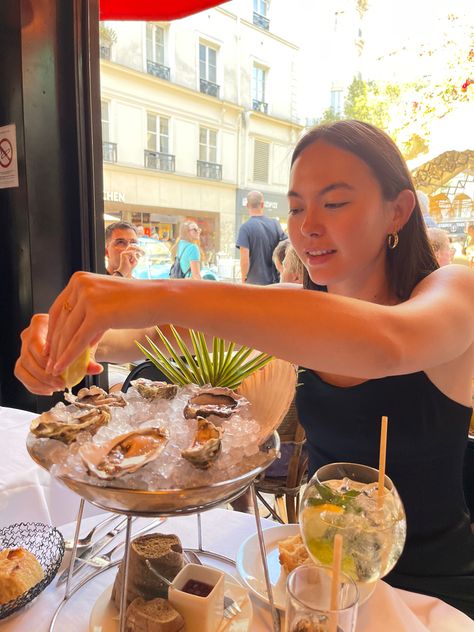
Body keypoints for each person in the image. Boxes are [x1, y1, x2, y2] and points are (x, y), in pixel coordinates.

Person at [15, 120, 474, 616]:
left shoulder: (453, 290)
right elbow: (139, 339)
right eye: (297, 207)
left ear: (398, 211)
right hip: (319, 587)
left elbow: (389, 342)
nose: (308, 226)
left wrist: (155, 292)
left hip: (432, 598)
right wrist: (64, 339)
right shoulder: (294, 311)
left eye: (335, 203)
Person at [236, 190, 287, 284]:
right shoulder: (275, 224)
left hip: (254, 285)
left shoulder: (245, 228)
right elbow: (286, 247)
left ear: (247, 205)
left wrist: (243, 278)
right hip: (274, 283)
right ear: (262, 205)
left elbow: (244, 258)